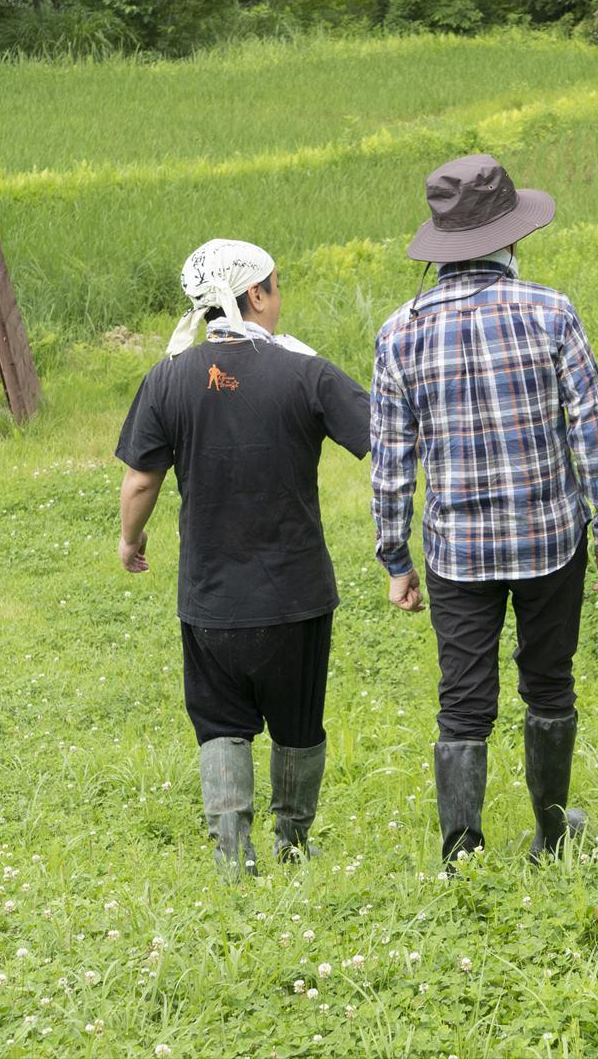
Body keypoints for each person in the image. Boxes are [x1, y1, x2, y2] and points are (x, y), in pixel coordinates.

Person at [371, 153, 598, 865]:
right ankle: (551, 836)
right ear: (510, 236)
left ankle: (462, 854)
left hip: (455, 550)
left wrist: (395, 558)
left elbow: (392, 463)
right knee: (549, 683)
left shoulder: (400, 333)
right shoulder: (551, 312)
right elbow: (595, 432)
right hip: (550, 538)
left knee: (463, 698)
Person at [115, 239, 370, 876]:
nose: (280, 299)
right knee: (298, 722)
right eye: (276, 286)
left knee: (221, 721)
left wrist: (131, 539)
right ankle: (292, 842)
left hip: (211, 598)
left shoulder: (168, 377)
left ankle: (232, 851)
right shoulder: (305, 372)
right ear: (255, 294)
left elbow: (141, 480)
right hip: (296, 595)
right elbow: (379, 437)